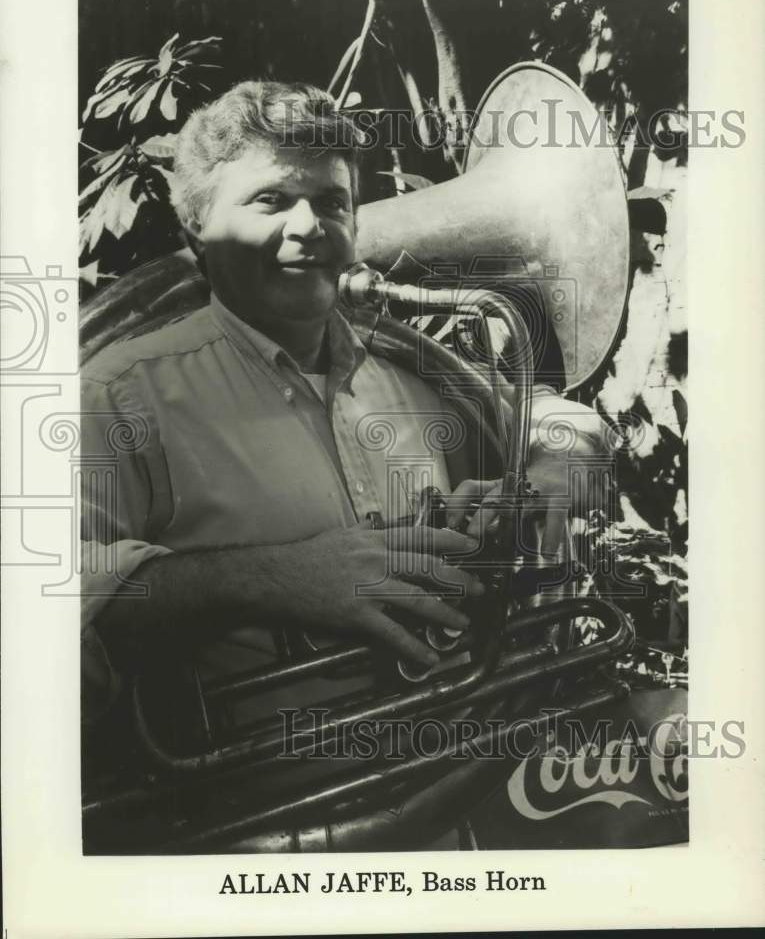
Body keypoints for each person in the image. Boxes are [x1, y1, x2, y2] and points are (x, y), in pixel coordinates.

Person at [80, 80, 605, 730]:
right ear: (196, 224)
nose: (309, 228)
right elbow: (49, 607)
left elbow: (571, 426)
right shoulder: (117, 396)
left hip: (459, 778)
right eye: (270, 200)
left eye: (330, 201)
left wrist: (548, 477)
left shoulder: (408, 366)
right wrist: (274, 578)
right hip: (254, 812)